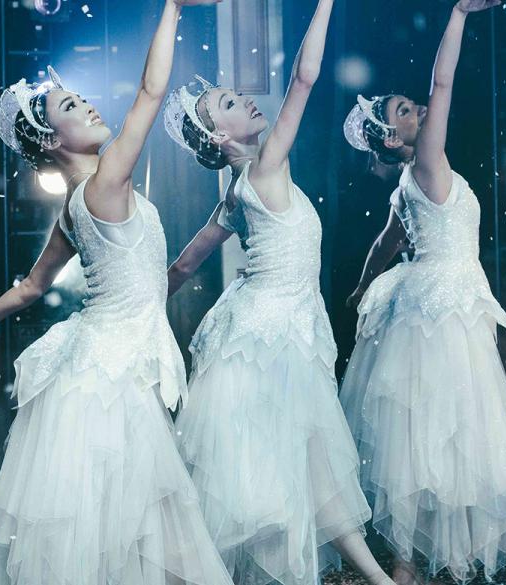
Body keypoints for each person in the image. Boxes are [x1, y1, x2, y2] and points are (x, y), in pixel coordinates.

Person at [0, 1, 234, 583]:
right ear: (54, 141)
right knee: (140, 516)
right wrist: (174, 8)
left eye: (80, 99)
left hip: (102, 361)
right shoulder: (105, 182)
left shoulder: (71, 205)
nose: (85, 104)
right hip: (111, 372)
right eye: (70, 107)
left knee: (125, 516)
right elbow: (151, 93)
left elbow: (32, 287)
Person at [338, 2, 506, 583]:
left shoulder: (406, 184)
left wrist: (362, 287)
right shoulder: (427, 164)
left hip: (433, 306)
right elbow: (442, 82)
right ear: (394, 135)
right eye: (403, 108)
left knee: (429, 438)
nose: (417, 106)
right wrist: (460, 14)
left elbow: (385, 244)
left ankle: (405, 564)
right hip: (442, 312)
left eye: (411, 102)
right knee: (467, 428)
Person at [158, 0, 393, 582]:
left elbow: (185, 266)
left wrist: (143, 305)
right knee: (280, 472)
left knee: (297, 466)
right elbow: (305, 78)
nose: (245, 100)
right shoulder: (264, 168)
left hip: (267, 327)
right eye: (230, 103)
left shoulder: (241, 186)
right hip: (270, 335)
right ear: (218, 131)